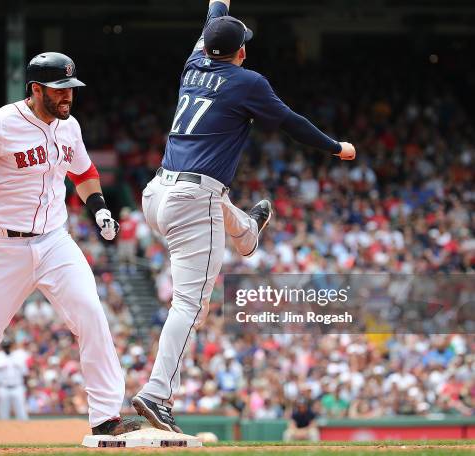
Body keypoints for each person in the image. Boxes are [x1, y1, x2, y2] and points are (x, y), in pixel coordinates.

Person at [132, 0, 356, 432]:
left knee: (219, 219)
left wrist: (219, 6)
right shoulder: (247, 81)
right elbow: (291, 121)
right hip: (193, 200)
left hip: (158, 193)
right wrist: (336, 147)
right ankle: (157, 392)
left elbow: (212, 20)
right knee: (191, 306)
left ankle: (248, 230)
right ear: (242, 51)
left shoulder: (193, 62)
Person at [0, 52, 139, 436]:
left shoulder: (69, 126)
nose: (67, 97)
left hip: (56, 241)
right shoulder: (0, 125)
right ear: (36, 89)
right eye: (59, 90)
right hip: (1, 245)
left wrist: (100, 209)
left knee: (91, 312)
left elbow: (84, 170)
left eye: (71, 89)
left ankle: (106, 418)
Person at [0, 338, 29, 420]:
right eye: (5, 346)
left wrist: (26, 388)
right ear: (2, 346)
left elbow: (25, 374)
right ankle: (3, 432)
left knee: (22, 414)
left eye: (8, 345)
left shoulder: (19, 356)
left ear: (12, 345)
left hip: (17, 387)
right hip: (2, 388)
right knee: (3, 415)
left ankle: (26, 431)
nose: (7, 347)